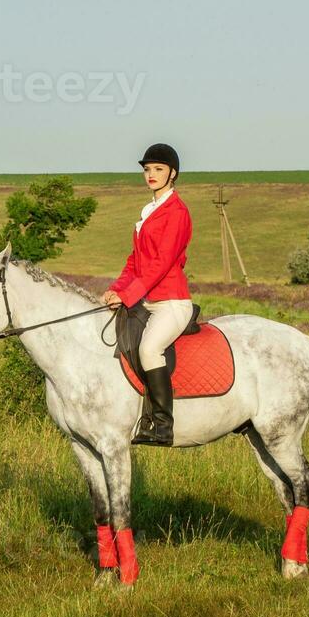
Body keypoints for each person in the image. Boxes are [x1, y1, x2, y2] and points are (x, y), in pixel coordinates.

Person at [102, 143, 194, 447]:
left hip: (171, 302)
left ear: (173, 174)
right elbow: (135, 260)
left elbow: (160, 264)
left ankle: (163, 425)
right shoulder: (149, 211)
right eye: (147, 169)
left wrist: (129, 295)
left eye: (158, 169)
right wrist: (117, 288)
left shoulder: (177, 212)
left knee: (149, 350)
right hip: (147, 301)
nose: (151, 175)